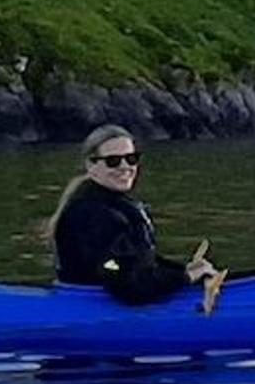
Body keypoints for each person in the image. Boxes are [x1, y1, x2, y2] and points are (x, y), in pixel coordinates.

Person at [48, 129, 219, 309]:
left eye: (131, 159)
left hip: (110, 294)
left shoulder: (115, 205)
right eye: (113, 161)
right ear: (92, 166)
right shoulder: (92, 215)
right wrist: (184, 278)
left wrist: (185, 271)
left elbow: (138, 263)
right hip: (90, 304)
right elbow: (130, 285)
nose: (124, 167)